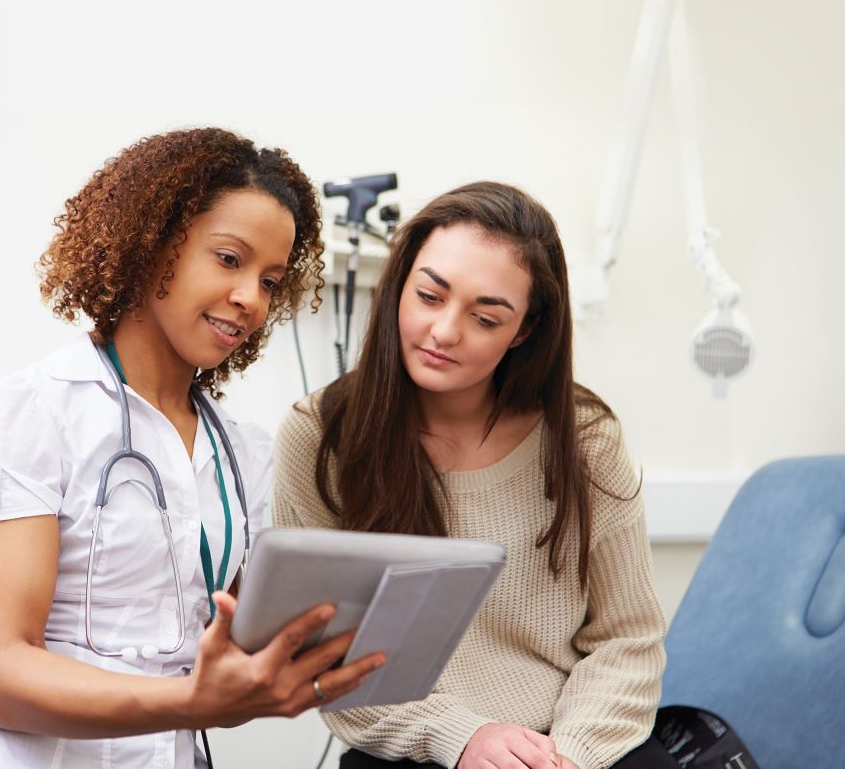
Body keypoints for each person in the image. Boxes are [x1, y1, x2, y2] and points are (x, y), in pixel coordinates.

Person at [0, 128, 385, 769]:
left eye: (271, 281)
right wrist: (189, 701)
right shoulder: (37, 414)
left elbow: (235, 635)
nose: (251, 299)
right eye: (229, 259)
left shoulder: (239, 454)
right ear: (150, 244)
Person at [273, 181, 669, 769]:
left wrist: (567, 757)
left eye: (485, 317)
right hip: (417, 748)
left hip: (571, 748)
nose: (444, 331)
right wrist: (463, 738)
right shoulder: (321, 435)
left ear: (525, 330)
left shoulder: (585, 440)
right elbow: (329, 660)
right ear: (400, 284)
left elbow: (627, 640)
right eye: (430, 296)